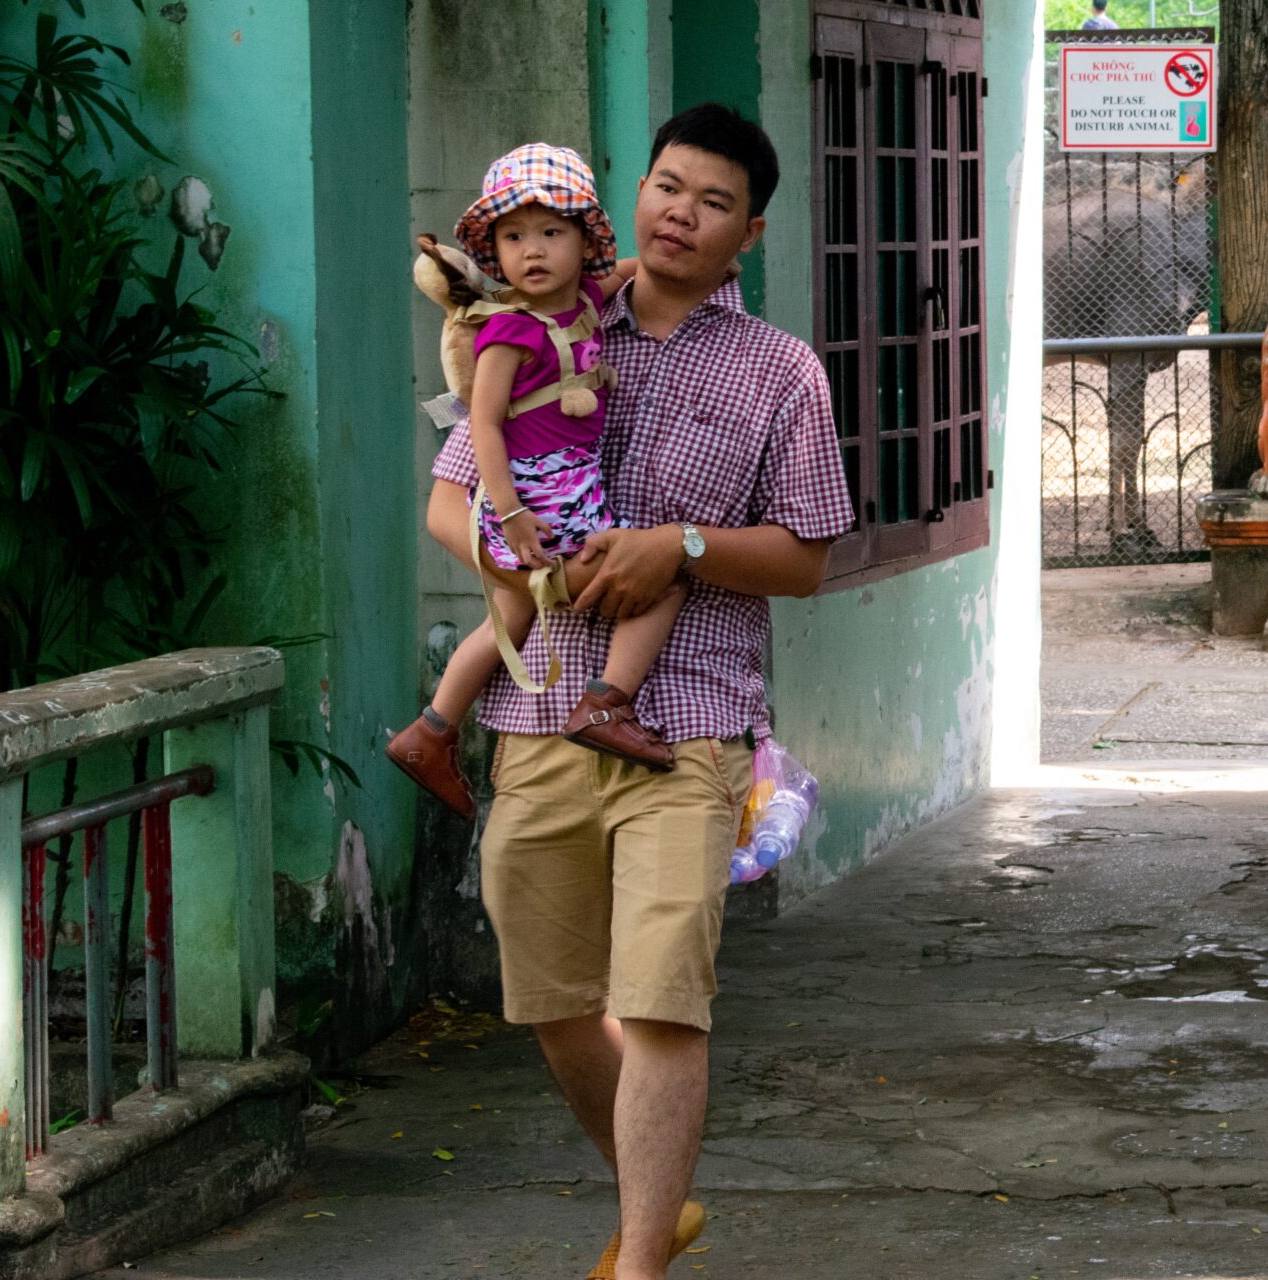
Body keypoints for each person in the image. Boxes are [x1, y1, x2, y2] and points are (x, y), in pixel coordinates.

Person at [428, 103, 852, 1280]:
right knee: (555, 999)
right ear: (639, 188)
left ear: (749, 231)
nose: (683, 212)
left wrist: (687, 546)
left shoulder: (780, 373)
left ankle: (639, 1267)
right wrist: (520, 552)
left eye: (714, 201)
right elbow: (449, 499)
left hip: (692, 727)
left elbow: (810, 554)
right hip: (538, 709)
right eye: (669, 185)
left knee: (666, 998)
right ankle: (654, 1205)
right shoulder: (543, 312)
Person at [386, 145, 684, 820]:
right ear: (494, 252)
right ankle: (604, 702)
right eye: (514, 236)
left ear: (585, 242)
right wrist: (513, 515)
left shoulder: (582, 301)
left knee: (513, 616)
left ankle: (430, 731)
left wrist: (704, 266)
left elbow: (633, 273)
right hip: (537, 498)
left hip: (569, 485)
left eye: (552, 231)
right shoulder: (509, 332)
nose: (534, 250)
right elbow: (484, 426)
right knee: (660, 579)